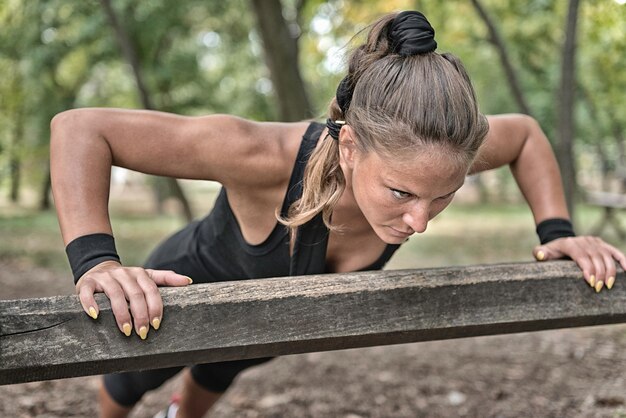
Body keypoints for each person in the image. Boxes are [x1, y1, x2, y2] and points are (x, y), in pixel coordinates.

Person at [50, 10, 625, 418]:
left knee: (216, 377)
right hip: (178, 296)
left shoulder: (435, 153)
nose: (421, 223)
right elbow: (80, 129)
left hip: (265, 331)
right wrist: (96, 260)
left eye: (443, 196)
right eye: (401, 194)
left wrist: (559, 234)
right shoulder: (262, 157)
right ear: (350, 147)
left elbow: (523, 136)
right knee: (126, 392)